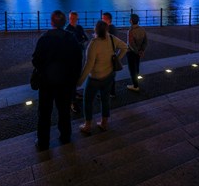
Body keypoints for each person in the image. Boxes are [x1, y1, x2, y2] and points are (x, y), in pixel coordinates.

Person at [32, 10, 82, 151]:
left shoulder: (44, 38)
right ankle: (65, 137)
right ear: (65, 22)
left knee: (44, 113)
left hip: (46, 83)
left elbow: (36, 60)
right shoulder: (71, 39)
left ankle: (43, 142)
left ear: (51, 22)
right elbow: (78, 61)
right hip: (65, 83)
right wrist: (74, 79)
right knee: (64, 111)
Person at [77, 20, 128, 134]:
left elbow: (89, 65)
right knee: (105, 99)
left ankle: (88, 125)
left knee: (88, 100)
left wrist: (80, 81)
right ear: (106, 30)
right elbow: (125, 47)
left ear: (95, 30)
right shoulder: (111, 38)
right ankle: (104, 123)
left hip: (94, 78)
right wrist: (117, 59)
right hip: (109, 75)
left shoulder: (93, 44)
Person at [65, 11, 89, 113]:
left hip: (79, 56)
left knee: (77, 76)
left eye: (75, 18)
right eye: (71, 18)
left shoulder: (79, 28)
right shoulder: (67, 30)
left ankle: (74, 93)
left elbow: (86, 38)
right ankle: (72, 101)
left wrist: (80, 43)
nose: (73, 20)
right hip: (71, 59)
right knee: (72, 78)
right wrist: (80, 42)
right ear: (69, 19)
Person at [126, 13, 148, 92]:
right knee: (137, 67)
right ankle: (136, 83)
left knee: (132, 69)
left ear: (131, 21)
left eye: (130, 19)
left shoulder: (130, 31)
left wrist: (137, 51)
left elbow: (131, 44)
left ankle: (135, 86)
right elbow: (145, 41)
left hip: (131, 53)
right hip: (139, 52)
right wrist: (141, 51)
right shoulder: (142, 29)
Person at [102, 12, 118, 98]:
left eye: (103, 18)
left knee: (107, 75)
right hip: (112, 55)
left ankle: (109, 93)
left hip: (108, 55)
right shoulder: (113, 28)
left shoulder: (109, 29)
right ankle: (111, 92)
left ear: (108, 20)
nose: (102, 20)